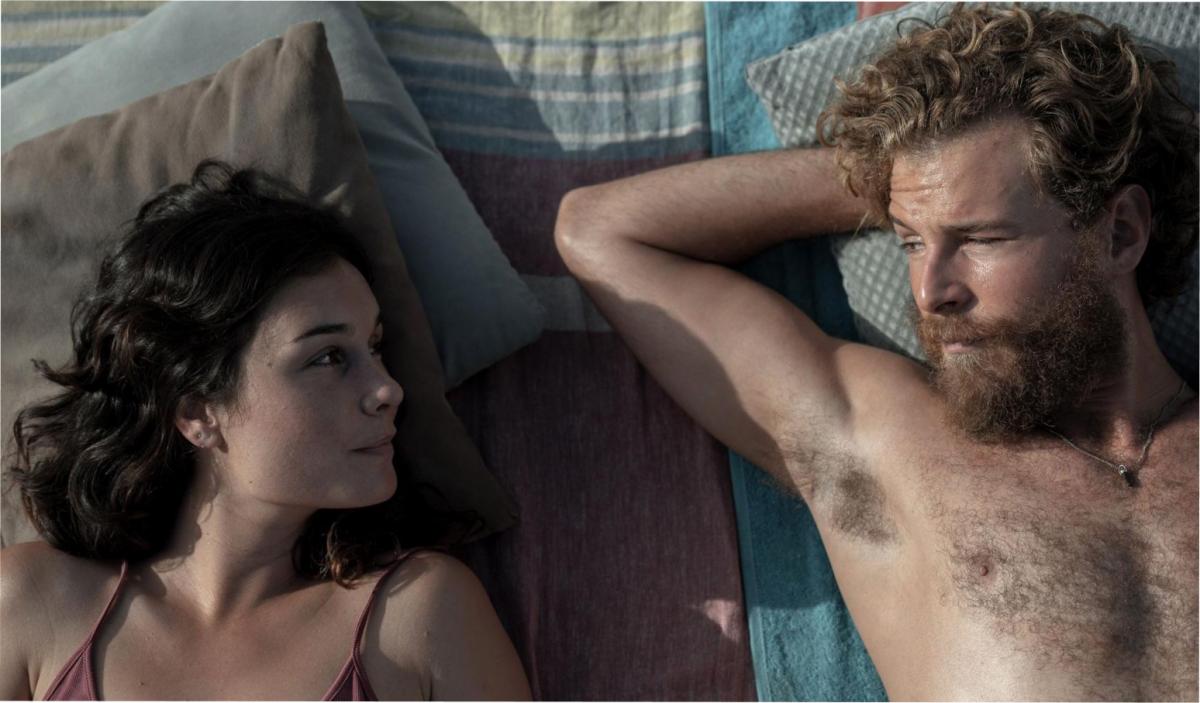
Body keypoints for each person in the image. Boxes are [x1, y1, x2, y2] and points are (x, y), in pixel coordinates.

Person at [556, 5, 1197, 701]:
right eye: (909, 241)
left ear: (1120, 232)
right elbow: (600, 233)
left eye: (981, 238)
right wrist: (887, 173)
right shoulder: (890, 442)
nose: (929, 292)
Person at [0, 162, 531, 700]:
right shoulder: (30, 606)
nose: (387, 388)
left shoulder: (418, 616)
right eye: (328, 357)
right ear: (197, 412)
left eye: (374, 347)